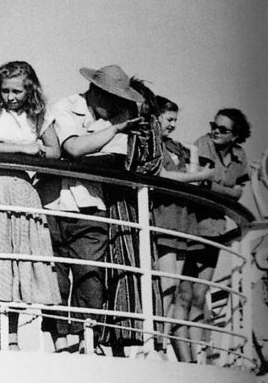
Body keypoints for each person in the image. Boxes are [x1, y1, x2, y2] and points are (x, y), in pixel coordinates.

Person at [41, 64, 146, 354]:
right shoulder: (66, 107)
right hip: (53, 202)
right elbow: (74, 148)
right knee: (54, 277)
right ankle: (60, 342)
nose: (114, 104)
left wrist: (83, 151)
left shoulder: (122, 119)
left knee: (91, 276)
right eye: (110, 97)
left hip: (92, 204)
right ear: (95, 90)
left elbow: (113, 159)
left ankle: (87, 341)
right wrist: (107, 135)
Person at [0, 61, 61, 350]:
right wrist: (21, 149)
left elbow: (55, 150)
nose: (10, 97)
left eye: (17, 91)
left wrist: (39, 151)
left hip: (21, 191)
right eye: (5, 90)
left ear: (29, 90)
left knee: (17, 264)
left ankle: (12, 337)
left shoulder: (38, 116)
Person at [180, 108, 251, 362]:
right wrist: (223, 189)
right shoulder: (203, 145)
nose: (215, 132)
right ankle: (184, 358)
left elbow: (238, 193)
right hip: (193, 227)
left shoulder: (239, 156)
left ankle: (196, 355)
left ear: (236, 135)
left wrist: (215, 186)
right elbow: (201, 182)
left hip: (215, 231)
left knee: (200, 296)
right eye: (214, 126)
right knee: (185, 295)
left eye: (223, 129)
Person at [100, 78, 164, 354]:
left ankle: (141, 335)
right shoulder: (111, 123)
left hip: (132, 202)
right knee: (116, 263)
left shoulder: (147, 126)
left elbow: (153, 164)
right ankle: (119, 335)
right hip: (113, 201)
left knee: (136, 261)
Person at [150, 96, 214, 361]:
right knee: (166, 284)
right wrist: (199, 176)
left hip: (182, 220)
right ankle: (157, 343)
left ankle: (163, 342)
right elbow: (163, 175)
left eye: (176, 120)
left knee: (175, 287)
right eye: (169, 119)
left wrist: (194, 164)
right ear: (155, 117)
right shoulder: (154, 144)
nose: (173, 125)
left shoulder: (175, 146)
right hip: (165, 218)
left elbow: (191, 172)